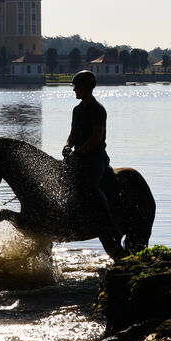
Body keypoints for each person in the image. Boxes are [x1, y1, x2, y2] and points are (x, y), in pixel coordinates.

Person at [63, 70, 117, 234]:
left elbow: (96, 137)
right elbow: (72, 134)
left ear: (87, 87)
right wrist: (67, 146)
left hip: (95, 158)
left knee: (91, 187)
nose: (74, 90)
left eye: (77, 87)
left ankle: (108, 225)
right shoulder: (77, 110)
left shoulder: (98, 109)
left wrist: (80, 151)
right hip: (78, 157)